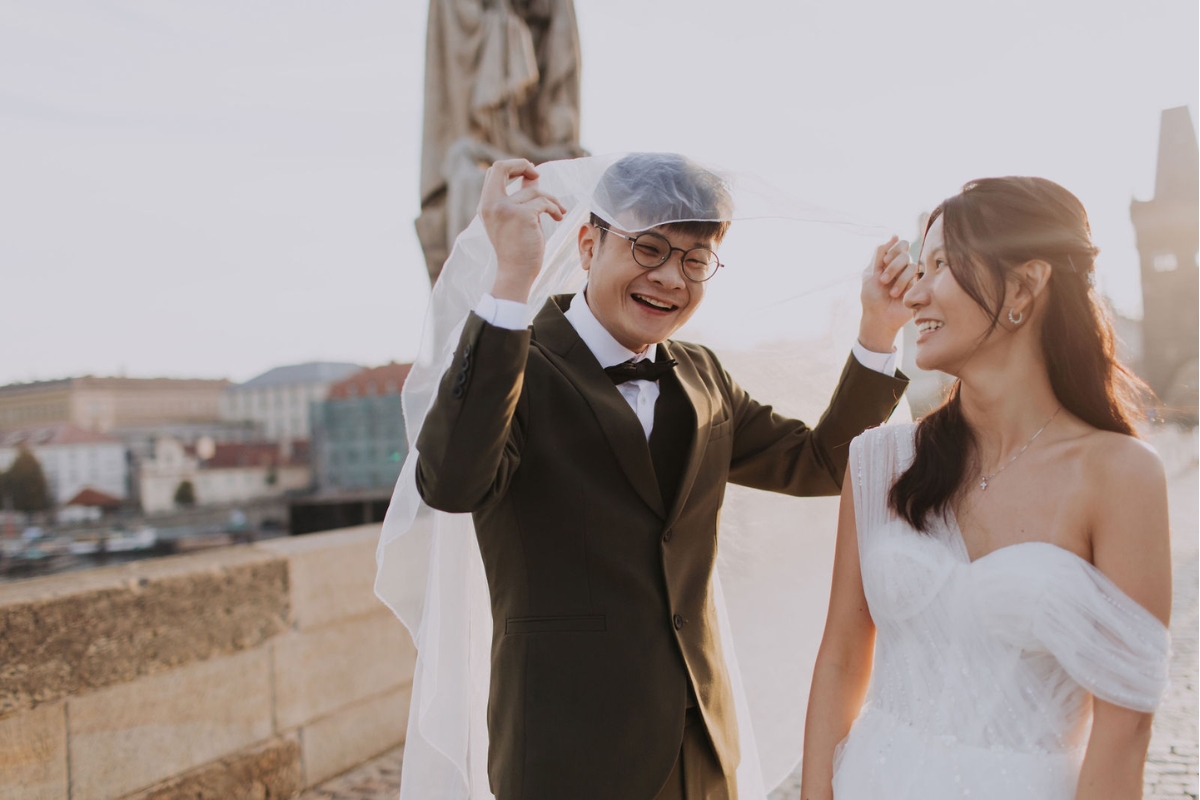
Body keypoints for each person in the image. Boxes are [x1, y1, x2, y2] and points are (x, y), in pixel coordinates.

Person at [401, 152, 912, 800]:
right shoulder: (515, 364)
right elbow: (448, 484)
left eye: (694, 261)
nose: (671, 278)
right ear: (589, 245)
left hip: (702, 752)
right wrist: (510, 282)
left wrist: (877, 333)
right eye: (649, 249)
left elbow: (824, 464)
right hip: (565, 758)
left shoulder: (704, 376)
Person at [801, 177, 1172, 799]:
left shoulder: (1119, 474)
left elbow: (1125, 726)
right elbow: (841, 653)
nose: (915, 291)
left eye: (941, 265)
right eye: (919, 266)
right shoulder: (878, 462)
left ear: (1024, 286)